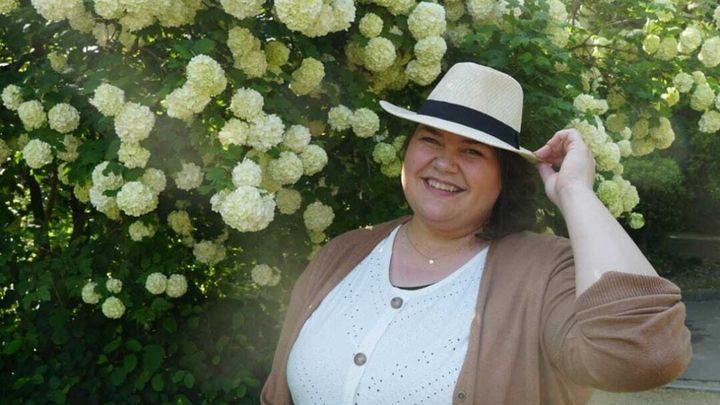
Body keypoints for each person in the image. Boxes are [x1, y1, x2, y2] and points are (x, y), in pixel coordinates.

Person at [261, 63, 692, 404]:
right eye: (431, 140)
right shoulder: (343, 254)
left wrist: (575, 192)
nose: (444, 163)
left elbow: (644, 354)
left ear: (504, 177)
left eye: (471, 151)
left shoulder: (545, 273)